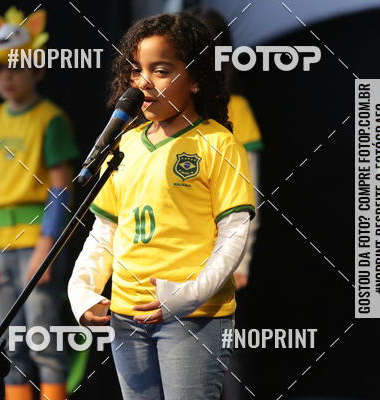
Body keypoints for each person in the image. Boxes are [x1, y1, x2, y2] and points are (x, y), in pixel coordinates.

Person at [68, 13, 256, 399]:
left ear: (196, 78)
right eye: (136, 70)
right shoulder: (124, 144)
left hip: (192, 316)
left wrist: (186, 295)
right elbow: (105, 231)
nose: (144, 82)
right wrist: (82, 289)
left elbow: (234, 233)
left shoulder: (217, 143)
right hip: (126, 315)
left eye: (161, 70)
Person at [0, 6, 80, 400]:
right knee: (8, 344)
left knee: (42, 338)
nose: (6, 76)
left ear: (37, 69)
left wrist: (47, 250)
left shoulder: (50, 120)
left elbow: (62, 190)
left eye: (15, 66)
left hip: (35, 244)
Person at [187, 7, 264, 290]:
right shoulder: (158, 114)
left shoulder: (237, 111)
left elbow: (248, 193)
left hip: (215, 260)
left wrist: (241, 262)